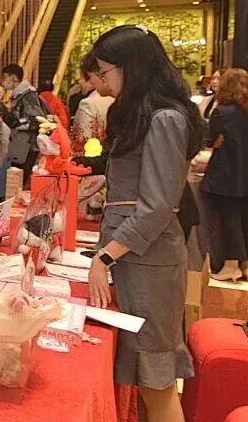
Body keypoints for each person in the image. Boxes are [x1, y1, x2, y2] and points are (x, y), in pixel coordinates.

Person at [85, 24, 203, 422]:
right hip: (136, 258)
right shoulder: (146, 115)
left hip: (148, 261)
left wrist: (104, 257)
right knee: (145, 377)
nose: (103, 80)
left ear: (130, 67)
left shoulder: (165, 119)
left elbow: (156, 207)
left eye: (105, 71)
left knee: (157, 381)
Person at [201, 68, 248, 282]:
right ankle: (245, 265)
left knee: (228, 219)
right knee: (243, 217)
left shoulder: (222, 112)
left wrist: (217, 141)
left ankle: (230, 265)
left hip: (225, 173)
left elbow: (210, 140)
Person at [1, 63, 48, 180]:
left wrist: (16, 123)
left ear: (13, 77)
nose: (3, 81)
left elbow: (36, 119)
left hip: (27, 144)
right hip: (22, 143)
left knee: (18, 178)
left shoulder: (28, 95)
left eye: (4, 77)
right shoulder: (20, 95)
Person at [74, 53, 115, 146]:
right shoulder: (125, 99)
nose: (80, 82)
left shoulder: (88, 104)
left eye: (87, 77)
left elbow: (82, 142)